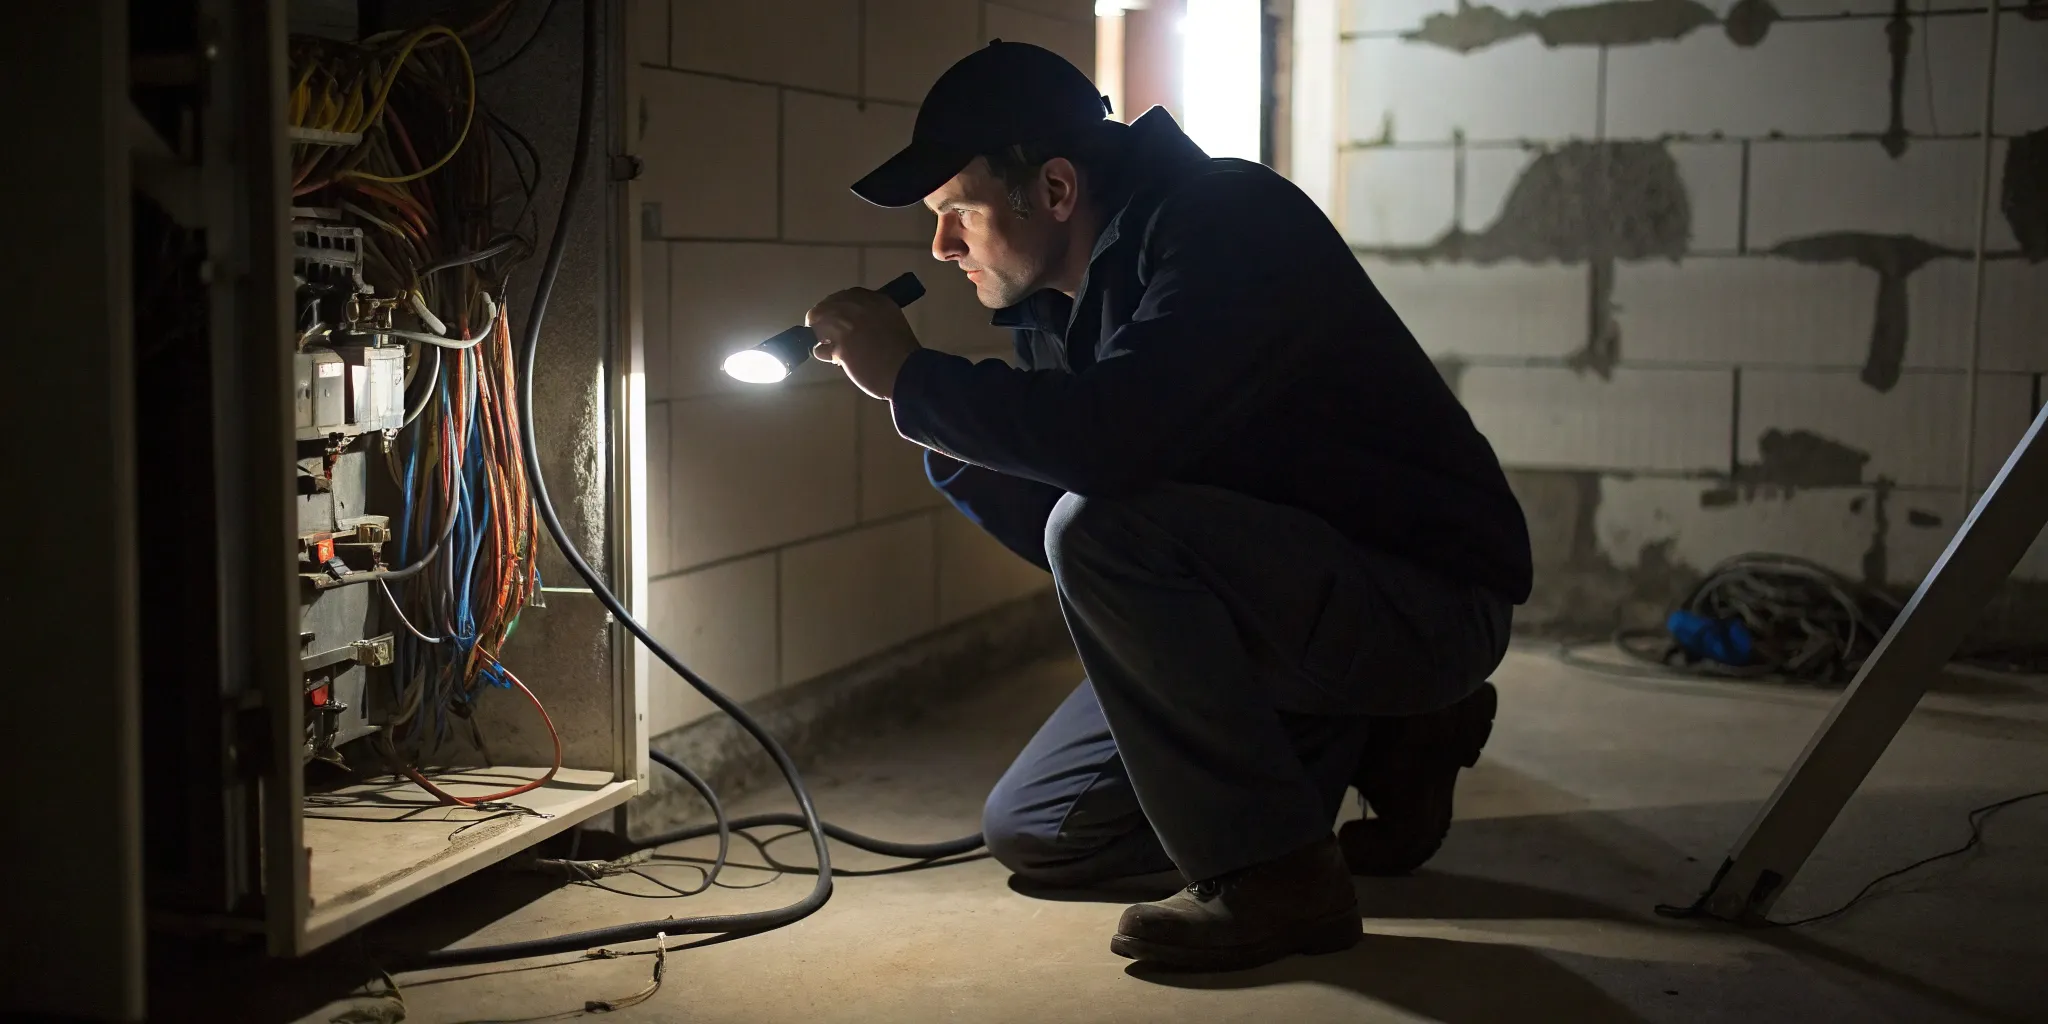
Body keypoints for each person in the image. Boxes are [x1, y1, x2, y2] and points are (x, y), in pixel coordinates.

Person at [803, 41, 1531, 971]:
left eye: (958, 214)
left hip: (1420, 600)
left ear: (1056, 190)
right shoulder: (1060, 309)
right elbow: (1085, 517)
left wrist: (916, 380)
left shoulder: (1229, 220)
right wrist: (945, 429)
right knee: (1037, 834)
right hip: (1286, 605)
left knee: (1101, 525)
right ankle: (1388, 740)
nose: (941, 247)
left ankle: (1278, 877)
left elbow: (1116, 461)